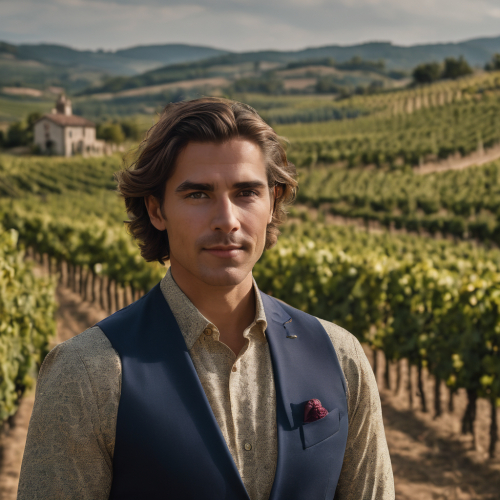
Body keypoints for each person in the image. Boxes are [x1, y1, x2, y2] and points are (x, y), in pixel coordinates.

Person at [18, 97, 395, 499]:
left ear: (273, 202)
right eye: (198, 194)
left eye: (246, 192)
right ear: (157, 210)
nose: (227, 220)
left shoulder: (341, 356)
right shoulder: (87, 373)